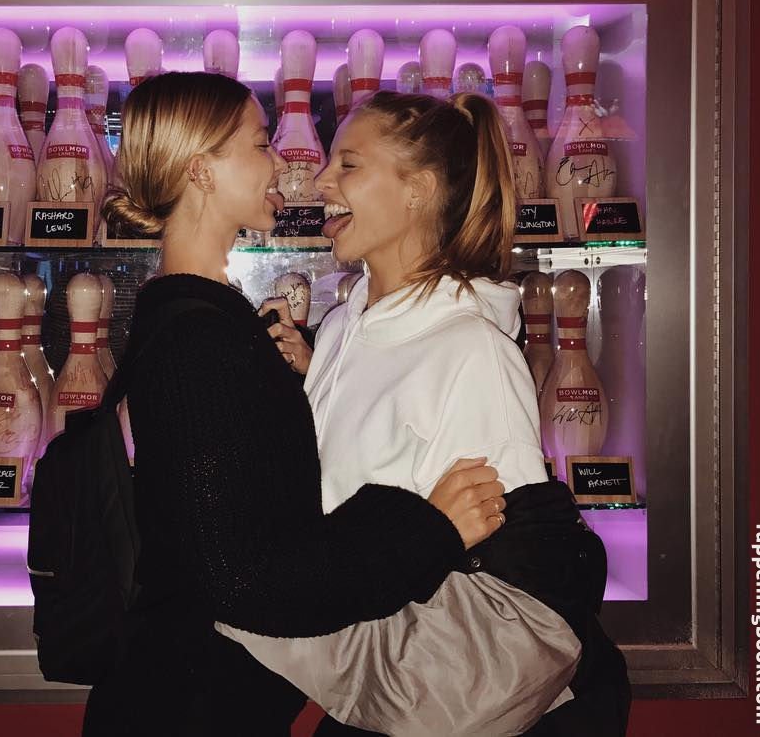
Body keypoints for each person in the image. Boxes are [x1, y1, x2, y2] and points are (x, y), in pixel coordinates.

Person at [81, 72, 511, 736]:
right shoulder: (201, 340)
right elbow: (244, 579)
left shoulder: (196, 318)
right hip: (192, 710)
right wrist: (431, 530)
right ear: (201, 171)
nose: (285, 162)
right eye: (260, 144)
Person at [222, 90, 630, 736]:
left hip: (434, 687)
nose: (321, 180)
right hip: (375, 674)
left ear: (419, 190)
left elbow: (504, 576)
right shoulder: (343, 328)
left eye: (349, 164)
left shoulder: (472, 351)